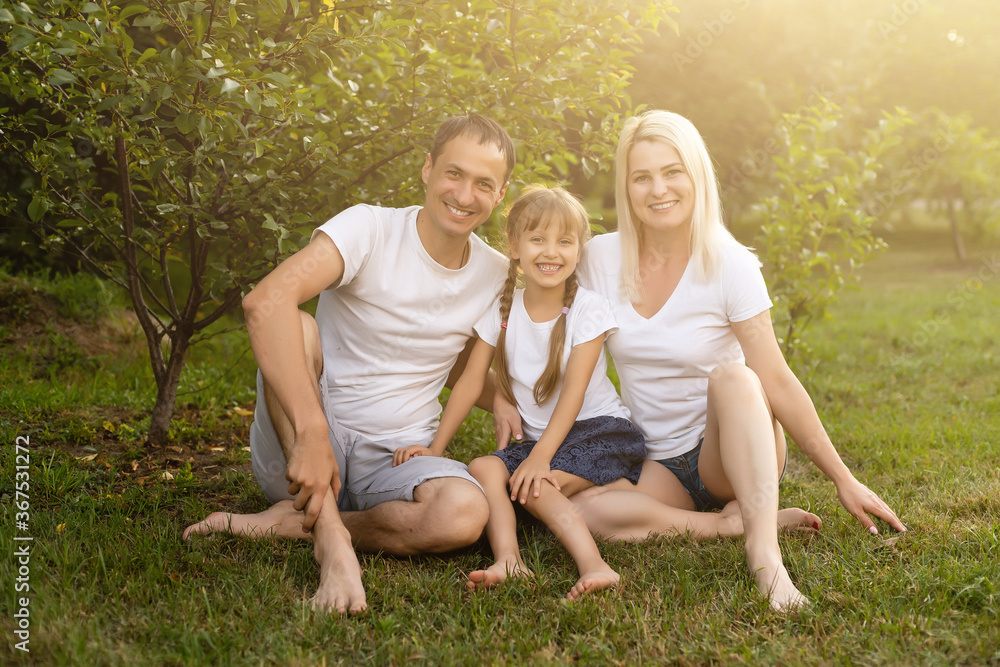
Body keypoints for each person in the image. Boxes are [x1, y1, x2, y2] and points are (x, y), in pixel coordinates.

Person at [495, 110, 904, 612]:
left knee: (735, 376)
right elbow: (524, 288)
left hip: (727, 451)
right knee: (587, 512)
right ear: (626, 187)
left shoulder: (730, 263)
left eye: (672, 171)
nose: (658, 189)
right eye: (641, 177)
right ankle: (733, 523)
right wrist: (497, 396)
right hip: (656, 463)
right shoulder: (599, 258)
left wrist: (844, 478)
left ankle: (765, 556)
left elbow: (774, 377)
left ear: (696, 175)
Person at [182, 113, 517, 615]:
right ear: (427, 168)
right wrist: (313, 434)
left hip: (397, 459)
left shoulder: (495, 273)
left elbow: (454, 364)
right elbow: (264, 303)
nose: (465, 195)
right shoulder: (369, 228)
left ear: (501, 193)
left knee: (464, 514)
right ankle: (331, 542)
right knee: (295, 324)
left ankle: (291, 525)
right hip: (307, 445)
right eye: (454, 173)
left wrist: (510, 402)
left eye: (483, 184)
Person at [395, 185, 758, 601]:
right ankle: (509, 560)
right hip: (550, 441)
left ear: (579, 250)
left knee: (535, 484)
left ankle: (595, 566)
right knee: (484, 467)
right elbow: (470, 382)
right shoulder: (502, 309)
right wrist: (436, 449)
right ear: (513, 246)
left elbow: (572, 393)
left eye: (564, 241)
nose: (551, 252)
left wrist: (540, 456)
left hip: (600, 431)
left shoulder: (588, 310)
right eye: (537, 239)